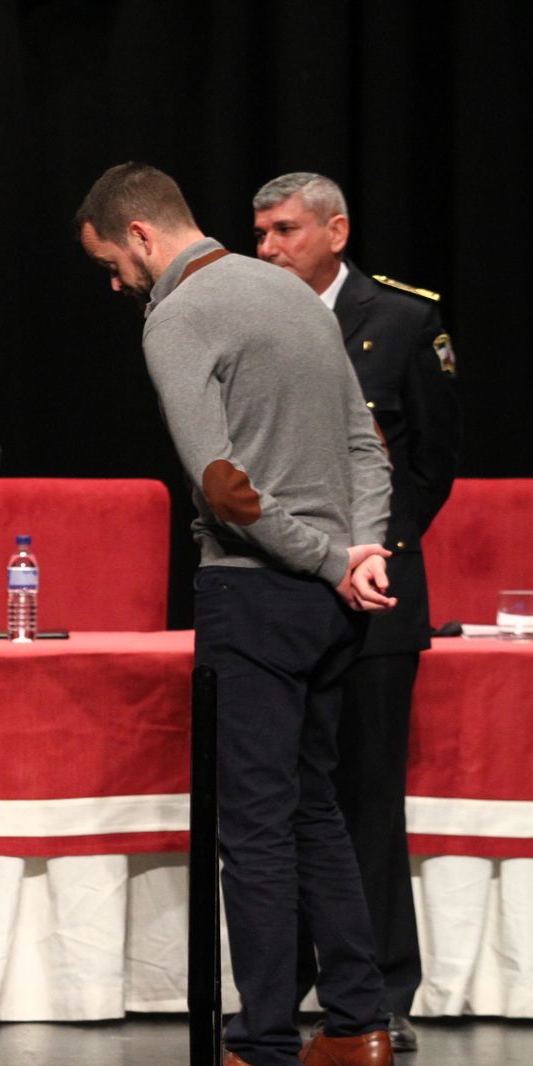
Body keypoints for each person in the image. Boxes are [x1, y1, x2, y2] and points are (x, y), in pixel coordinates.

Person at [75, 162, 397, 1066]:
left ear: (141, 236)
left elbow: (223, 490)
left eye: (112, 262)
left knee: (253, 825)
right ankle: (358, 1023)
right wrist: (359, 554)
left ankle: (261, 1041)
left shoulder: (178, 315)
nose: (114, 283)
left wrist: (337, 559)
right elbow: (366, 449)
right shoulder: (295, 291)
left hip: (255, 592)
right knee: (312, 809)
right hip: (332, 602)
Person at [253, 171, 461, 1053]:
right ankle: (293, 978)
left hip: (377, 594)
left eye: (285, 230)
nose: (267, 248)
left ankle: (379, 990)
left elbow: (434, 465)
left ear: (336, 231)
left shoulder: (405, 319)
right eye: (259, 232)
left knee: (366, 795)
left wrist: (367, 548)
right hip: (284, 589)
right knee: (289, 791)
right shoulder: (255, 313)